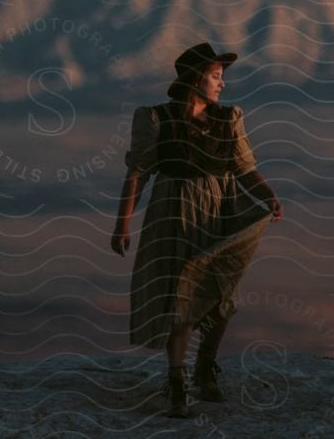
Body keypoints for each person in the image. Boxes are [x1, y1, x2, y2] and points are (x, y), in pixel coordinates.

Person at [111, 41, 283, 417]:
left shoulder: (228, 120)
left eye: (222, 78)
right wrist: (122, 224)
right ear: (195, 79)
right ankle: (177, 381)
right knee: (181, 300)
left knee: (223, 299)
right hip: (173, 215)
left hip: (218, 213)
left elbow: (244, 168)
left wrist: (269, 197)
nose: (222, 84)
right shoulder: (157, 119)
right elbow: (138, 173)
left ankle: (205, 365)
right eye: (216, 76)